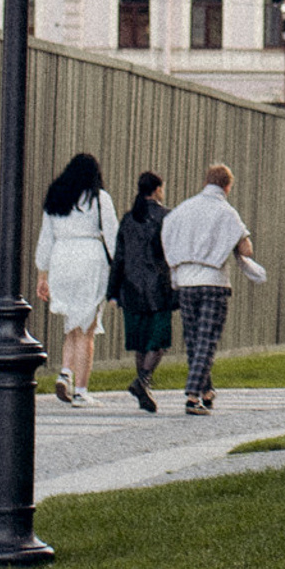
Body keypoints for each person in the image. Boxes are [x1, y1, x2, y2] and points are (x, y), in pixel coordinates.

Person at [158, 162, 267, 414]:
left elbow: (167, 239)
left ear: (205, 181)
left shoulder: (181, 211)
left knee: (194, 340)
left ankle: (206, 391)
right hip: (213, 281)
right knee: (207, 339)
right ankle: (193, 395)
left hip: (185, 281)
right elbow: (245, 248)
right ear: (227, 186)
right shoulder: (226, 212)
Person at [33, 152, 117, 405]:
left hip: (61, 257)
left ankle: (65, 373)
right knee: (87, 328)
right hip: (89, 257)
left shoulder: (56, 197)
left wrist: (42, 275)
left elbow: (45, 238)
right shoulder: (99, 199)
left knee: (72, 324)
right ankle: (81, 390)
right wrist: (119, 272)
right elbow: (112, 236)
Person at [116, 171, 175, 412]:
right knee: (158, 340)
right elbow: (171, 251)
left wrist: (113, 290)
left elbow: (119, 256)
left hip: (131, 287)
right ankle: (143, 380)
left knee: (140, 342)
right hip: (158, 287)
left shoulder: (129, 218)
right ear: (158, 189)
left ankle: (143, 385)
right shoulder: (166, 217)